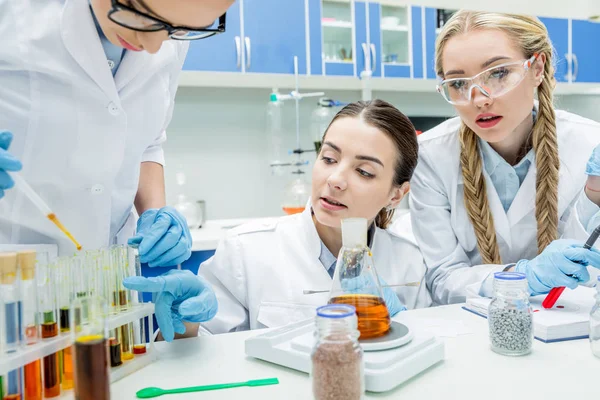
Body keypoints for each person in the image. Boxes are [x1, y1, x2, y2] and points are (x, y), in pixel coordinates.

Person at [124, 99, 432, 341]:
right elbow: (190, 354)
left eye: (364, 171)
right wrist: (185, 323)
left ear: (396, 194)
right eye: (328, 159)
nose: (335, 179)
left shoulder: (410, 262)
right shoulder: (247, 250)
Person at [0, 0, 233, 269]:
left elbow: (147, 143)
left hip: (106, 279)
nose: (155, 45)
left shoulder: (170, 34)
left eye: (177, 29)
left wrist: (155, 214)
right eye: (147, 17)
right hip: (11, 273)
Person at [397, 10, 600, 305]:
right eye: (458, 83)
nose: (479, 98)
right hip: (472, 328)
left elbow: (590, 260)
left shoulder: (590, 143)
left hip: (571, 325)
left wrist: (593, 197)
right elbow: (442, 278)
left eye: (499, 73)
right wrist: (523, 277)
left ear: (538, 67)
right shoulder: (430, 155)